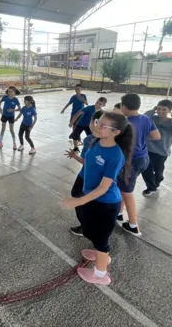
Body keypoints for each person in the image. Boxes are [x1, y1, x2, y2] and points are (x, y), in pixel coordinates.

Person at [61, 111, 135, 286]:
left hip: (106, 203)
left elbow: (104, 188)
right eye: (97, 122)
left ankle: (100, 274)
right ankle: (99, 253)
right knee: (92, 231)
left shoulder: (115, 155)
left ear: (115, 132)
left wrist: (78, 200)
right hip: (92, 198)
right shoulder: (95, 142)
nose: (96, 126)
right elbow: (90, 165)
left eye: (102, 125)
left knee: (102, 239)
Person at [117, 93, 161, 236]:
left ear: (124, 106)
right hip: (143, 158)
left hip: (131, 161)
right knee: (122, 187)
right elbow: (156, 136)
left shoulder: (125, 123)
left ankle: (133, 225)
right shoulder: (145, 119)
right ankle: (118, 213)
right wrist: (141, 138)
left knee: (127, 192)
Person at [65, 110, 104, 237]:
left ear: (94, 122)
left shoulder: (89, 140)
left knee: (78, 197)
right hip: (102, 178)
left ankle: (85, 226)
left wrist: (74, 156)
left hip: (86, 176)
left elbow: (86, 162)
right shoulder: (111, 140)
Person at [142, 99, 172, 195]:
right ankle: (151, 187)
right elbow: (143, 118)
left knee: (158, 171)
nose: (160, 111)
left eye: (164, 109)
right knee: (145, 169)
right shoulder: (153, 119)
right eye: (158, 109)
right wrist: (152, 111)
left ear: (169, 110)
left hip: (162, 152)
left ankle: (158, 180)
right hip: (148, 149)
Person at [0, 86, 21, 150]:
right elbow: (0, 102)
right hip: (4, 115)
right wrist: (0, 109)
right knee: (3, 129)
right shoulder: (5, 97)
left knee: (11, 130)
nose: (10, 93)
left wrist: (13, 110)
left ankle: (14, 143)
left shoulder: (15, 100)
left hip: (11, 116)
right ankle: (0, 142)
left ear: (14, 92)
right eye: (9, 92)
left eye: (11, 92)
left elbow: (19, 109)